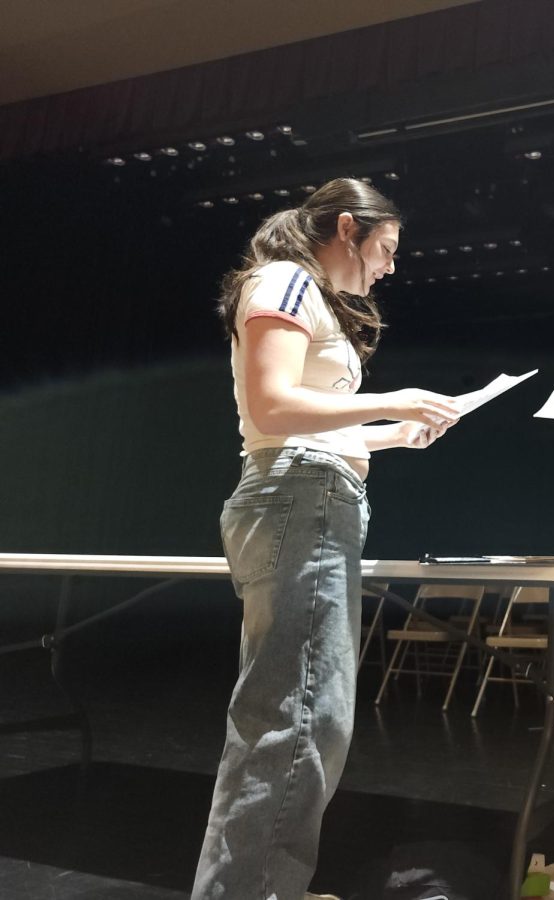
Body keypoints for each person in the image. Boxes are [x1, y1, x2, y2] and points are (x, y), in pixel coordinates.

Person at [192, 177, 462, 900]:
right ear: (348, 228)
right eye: (387, 248)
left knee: (305, 717)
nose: (390, 266)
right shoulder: (282, 279)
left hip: (313, 496)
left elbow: (307, 417)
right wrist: (391, 399)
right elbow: (271, 404)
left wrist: (394, 435)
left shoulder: (307, 297)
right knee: (295, 720)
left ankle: (261, 884)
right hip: (298, 499)